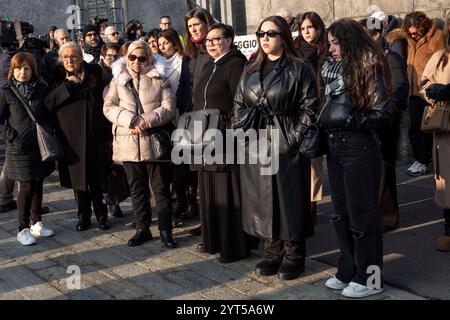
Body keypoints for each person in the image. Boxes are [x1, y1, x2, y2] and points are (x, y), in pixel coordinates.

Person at [232, 15, 317, 280]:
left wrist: (293, 137)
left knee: (289, 200)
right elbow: (237, 105)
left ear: (284, 37)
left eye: (271, 33)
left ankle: (294, 255)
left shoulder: (299, 68)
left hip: (285, 140)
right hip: (256, 143)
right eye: (261, 34)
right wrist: (243, 125)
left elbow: (310, 107)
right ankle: (272, 251)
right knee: (262, 199)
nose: (265, 39)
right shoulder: (249, 69)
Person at [321, 19, 394, 298]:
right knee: (340, 214)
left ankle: (371, 278)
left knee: (364, 218)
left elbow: (385, 114)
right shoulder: (331, 69)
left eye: (336, 43)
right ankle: (348, 268)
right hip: (335, 147)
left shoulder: (369, 67)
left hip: (360, 148)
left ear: (349, 42)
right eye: (329, 43)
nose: (331, 49)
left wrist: (352, 118)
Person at [103, 41, 177, 248]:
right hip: (128, 143)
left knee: (161, 190)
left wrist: (145, 120)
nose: (137, 62)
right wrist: (131, 120)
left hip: (154, 144)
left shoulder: (160, 79)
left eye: (142, 57)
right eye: (132, 57)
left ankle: (165, 230)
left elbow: (170, 108)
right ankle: (142, 229)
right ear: (127, 58)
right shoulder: (118, 80)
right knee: (137, 190)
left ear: (149, 58)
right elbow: (108, 107)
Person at [192, 23, 251, 262]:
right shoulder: (211, 65)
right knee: (209, 187)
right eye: (209, 40)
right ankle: (213, 239)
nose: (212, 43)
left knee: (226, 189)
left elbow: (242, 102)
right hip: (205, 136)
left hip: (225, 135)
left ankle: (233, 245)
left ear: (230, 39)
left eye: (217, 39)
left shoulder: (236, 63)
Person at [45, 42, 110, 231]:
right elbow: (48, 103)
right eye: (65, 57)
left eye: (73, 56)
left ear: (81, 57)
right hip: (70, 136)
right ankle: (83, 215)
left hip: (94, 133)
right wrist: (68, 86)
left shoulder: (94, 72)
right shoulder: (57, 74)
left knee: (97, 176)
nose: (69, 60)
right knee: (78, 178)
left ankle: (102, 214)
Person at [0, 52, 55, 245]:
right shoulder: (6, 90)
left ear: (33, 70)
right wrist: (11, 136)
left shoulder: (41, 88)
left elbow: (47, 114)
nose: (22, 72)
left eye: (26, 68)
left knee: (38, 183)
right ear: (12, 70)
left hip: (38, 147)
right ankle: (22, 229)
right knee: (26, 187)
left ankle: (36, 223)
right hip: (19, 148)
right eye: (18, 68)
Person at [360, 17, 409, 231]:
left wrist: (384, 114)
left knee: (384, 169)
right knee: (370, 170)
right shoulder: (362, 59)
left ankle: (387, 217)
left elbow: (399, 91)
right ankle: (372, 214)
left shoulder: (390, 57)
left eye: (364, 35)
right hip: (366, 123)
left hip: (385, 124)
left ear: (376, 34)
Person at [177, 8, 215, 232]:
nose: (193, 29)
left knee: (211, 172)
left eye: (197, 25)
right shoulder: (188, 55)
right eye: (190, 26)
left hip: (211, 120)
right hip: (191, 120)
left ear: (206, 24)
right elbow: (183, 86)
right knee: (198, 173)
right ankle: (204, 220)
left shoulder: (213, 50)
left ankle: (213, 222)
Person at [420, 13, 450, 252]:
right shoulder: (440, 57)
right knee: (447, 184)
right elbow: (424, 85)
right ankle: (449, 230)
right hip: (446, 130)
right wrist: (435, 90)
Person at [403, 12, 445, 176]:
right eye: (410, 32)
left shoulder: (437, 37)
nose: (413, 35)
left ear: (423, 26)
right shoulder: (409, 40)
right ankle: (418, 159)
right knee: (413, 128)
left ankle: (423, 161)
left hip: (429, 91)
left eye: (415, 32)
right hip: (413, 92)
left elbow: (443, 63)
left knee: (426, 128)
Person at [295, 11, 327, 223]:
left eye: (310, 27)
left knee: (314, 161)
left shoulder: (326, 50)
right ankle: (299, 202)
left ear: (318, 28)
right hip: (297, 111)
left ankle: (312, 205)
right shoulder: (294, 51)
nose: (307, 32)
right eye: (303, 28)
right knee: (298, 160)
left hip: (319, 111)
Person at [157, 29, 188, 227]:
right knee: (170, 164)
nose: (162, 47)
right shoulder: (157, 63)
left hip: (182, 115)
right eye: (160, 44)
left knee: (183, 164)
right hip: (165, 118)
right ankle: (178, 201)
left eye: (166, 43)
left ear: (175, 43)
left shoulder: (184, 60)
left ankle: (186, 201)